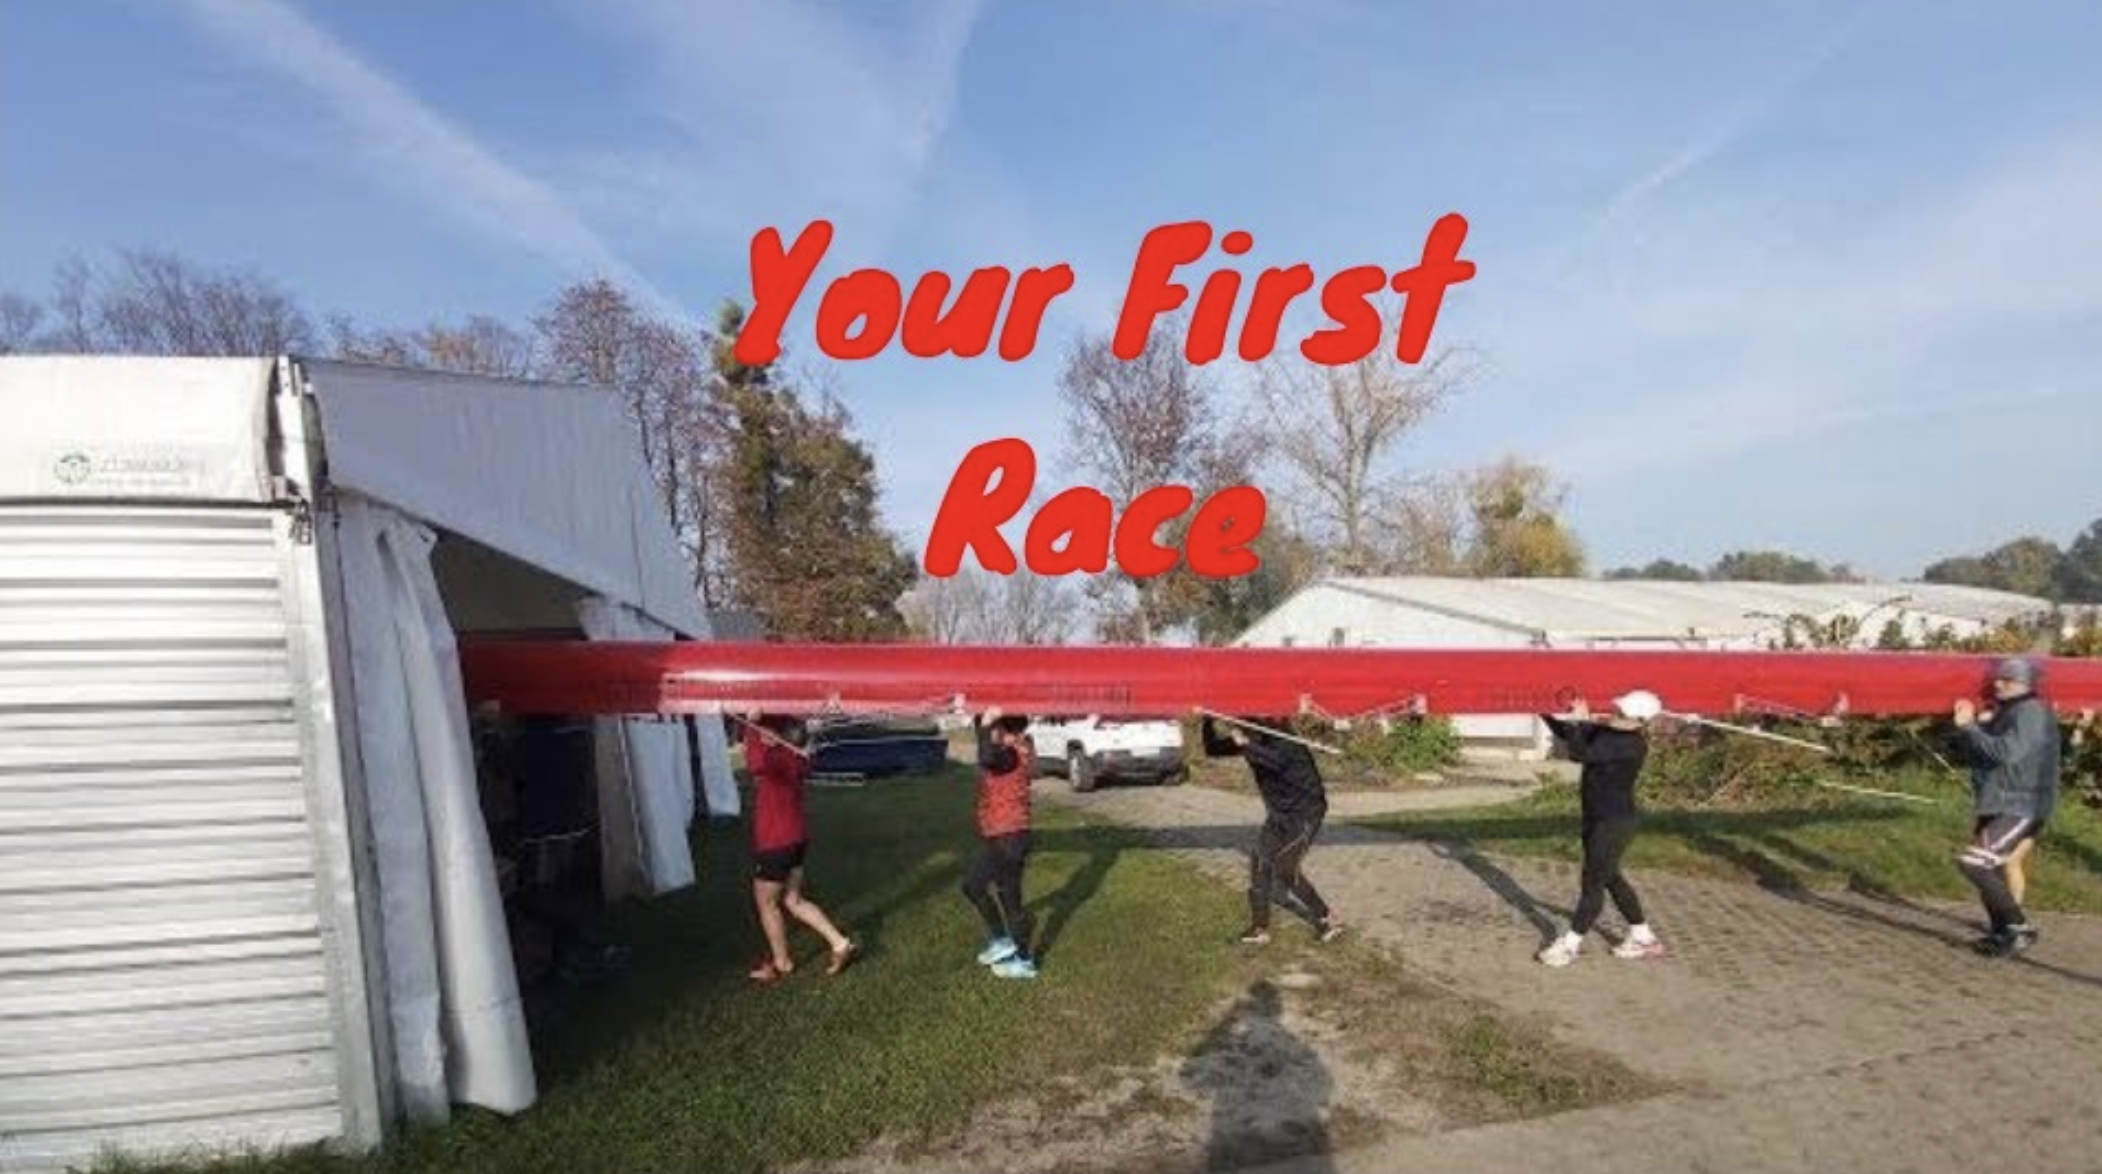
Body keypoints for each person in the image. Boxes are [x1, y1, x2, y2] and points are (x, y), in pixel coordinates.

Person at [1535, 691, 1667, 968]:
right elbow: (1566, 732)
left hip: (1614, 822)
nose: (1613, 713)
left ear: (1638, 721)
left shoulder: (1631, 745)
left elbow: (1579, 753)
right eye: (1616, 708)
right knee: (1611, 877)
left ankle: (1569, 946)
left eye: (1620, 712)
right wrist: (1544, 712)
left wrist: (1579, 723)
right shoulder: (1608, 731)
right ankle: (1643, 936)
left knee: (1592, 883)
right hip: (1596, 818)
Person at [1199, 713, 1343, 946]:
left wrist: (1245, 744)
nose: (1238, 729)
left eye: (1242, 725)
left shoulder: (1287, 742)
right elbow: (1213, 750)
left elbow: (1277, 762)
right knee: (1260, 860)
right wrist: (1207, 721)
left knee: (1286, 868)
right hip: (1279, 814)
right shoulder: (1252, 740)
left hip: (1306, 812)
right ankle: (1259, 929)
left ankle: (1328, 919)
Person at [1952, 657, 2060, 959]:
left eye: (2008, 680)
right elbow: (1982, 752)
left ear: (2026, 684)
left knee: (1973, 862)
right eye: (1998, 678)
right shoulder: (2008, 711)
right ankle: (2002, 932)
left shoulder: (2031, 711)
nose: (1998, 683)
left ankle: (2019, 927)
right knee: (1996, 869)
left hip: (2022, 802)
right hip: (1999, 800)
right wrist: (1970, 728)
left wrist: (1971, 728)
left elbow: (2008, 752)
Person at [741, 711, 858, 984]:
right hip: (795, 838)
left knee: (766, 902)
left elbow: (754, 763)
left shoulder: (776, 757)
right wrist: (762, 730)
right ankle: (840, 943)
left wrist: (753, 727)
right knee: (792, 900)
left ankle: (782, 964)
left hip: (777, 842)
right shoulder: (795, 755)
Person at [965, 706, 1040, 980]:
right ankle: (1002, 941)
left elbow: (986, 756)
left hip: (1010, 837)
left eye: (994, 729)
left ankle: (1023, 961)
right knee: (974, 887)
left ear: (1004, 730)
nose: (989, 734)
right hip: (1000, 834)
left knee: (1009, 900)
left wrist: (986, 724)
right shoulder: (1011, 749)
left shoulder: (1010, 754)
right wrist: (982, 722)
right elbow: (986, 750)